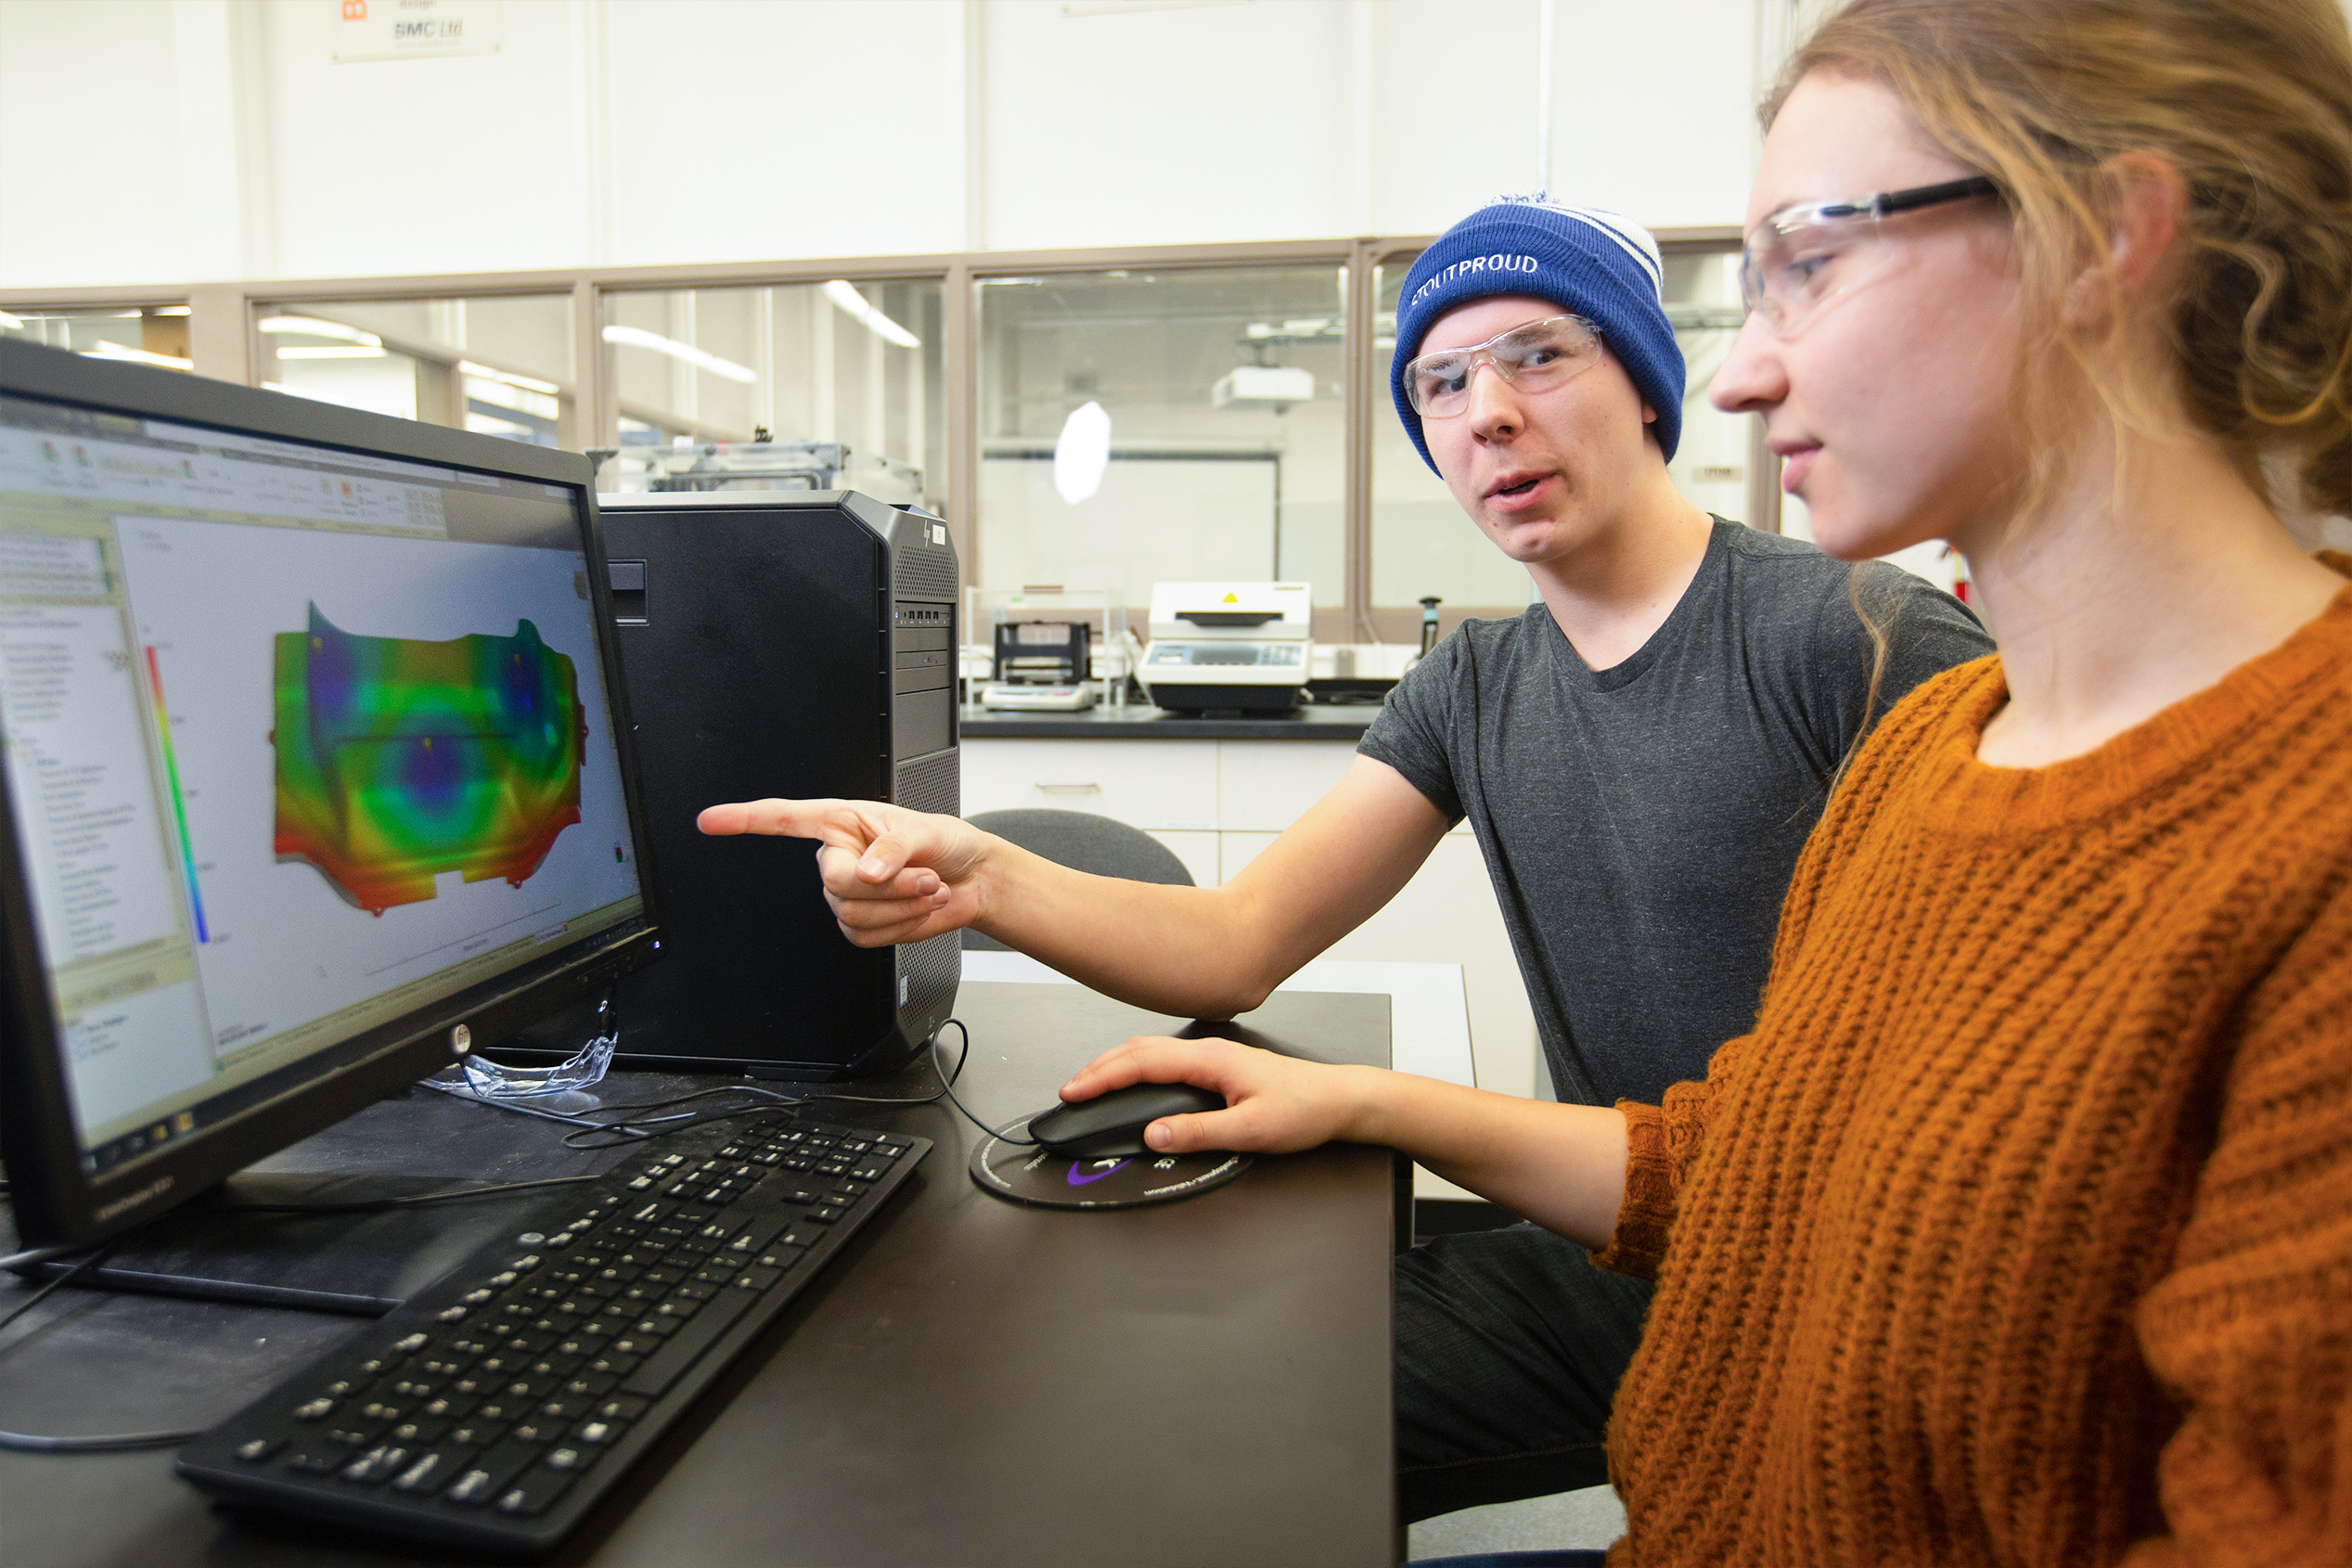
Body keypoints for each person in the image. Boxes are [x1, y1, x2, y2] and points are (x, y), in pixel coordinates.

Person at [1002, 0, 2352, 1562]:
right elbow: (1760, 1166)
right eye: (1441, 385)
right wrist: (1362, 1098)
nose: (1745, 374)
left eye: (1814, 260)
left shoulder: (1905, 670)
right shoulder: (1947, 747)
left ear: (2105, 237)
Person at [700, 200, 1988, 1520]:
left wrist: (1366, 1097)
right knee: (1181, 1401)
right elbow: (1237, 939)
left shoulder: (1859, 640)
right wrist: (980, 877)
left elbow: (1955, 1139)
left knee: (1257, 1457)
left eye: (1540, 355)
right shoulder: (1476, 684)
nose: (1487, 411)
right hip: (1630, 1258)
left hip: (1848, 1298)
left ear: (1650, 389)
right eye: (1442, 380)